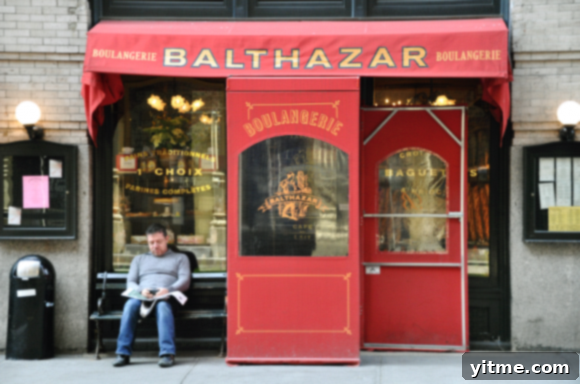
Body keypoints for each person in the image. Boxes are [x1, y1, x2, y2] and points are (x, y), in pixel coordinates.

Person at [113, 223, 191, 368]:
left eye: (159, 242)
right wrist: (141, 290)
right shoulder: (139, 259)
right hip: (144, 296)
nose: (155, 246)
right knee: (130, 305)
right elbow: (130, 281)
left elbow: (185, 281)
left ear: (167, 239)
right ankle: (123, 353)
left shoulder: (180, 258)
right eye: (151, 242)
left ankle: (167, 354)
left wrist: (168, 289)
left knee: (162, 307)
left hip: (167, 297)